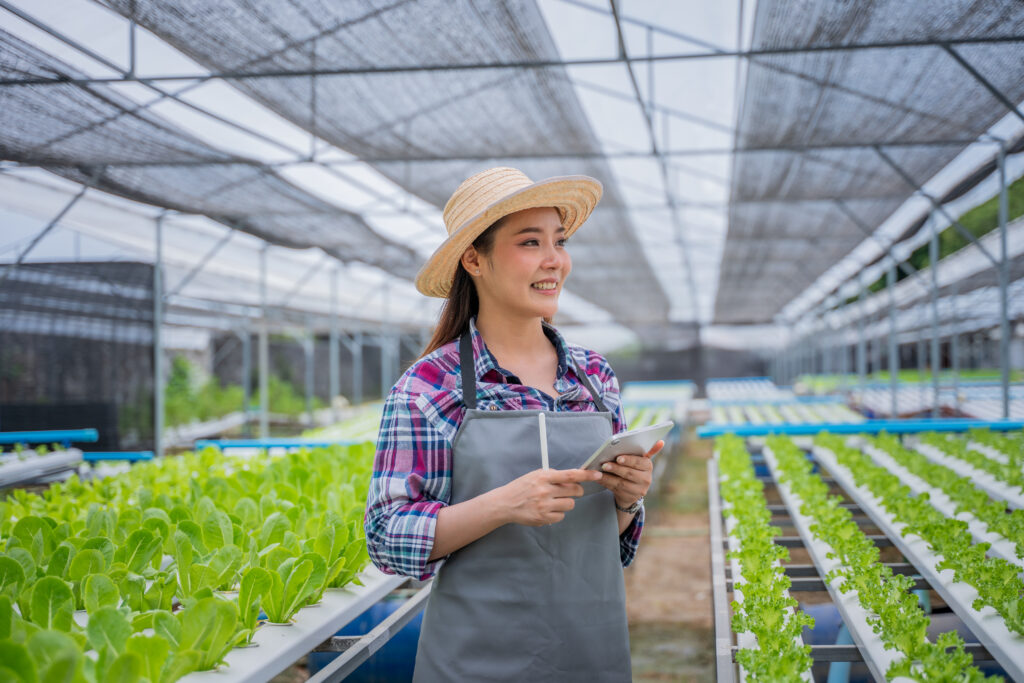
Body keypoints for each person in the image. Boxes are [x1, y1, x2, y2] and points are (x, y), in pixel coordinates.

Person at [364, 167, 662, 682]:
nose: (555, 261)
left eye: (560, 242)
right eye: (530, 242)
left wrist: (627, 498)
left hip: (591, 652)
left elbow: (602, 540)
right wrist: (504, 505)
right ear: (474, 259)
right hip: (476, 661)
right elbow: (388, 536)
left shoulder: (592, 375)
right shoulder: (431, 385)